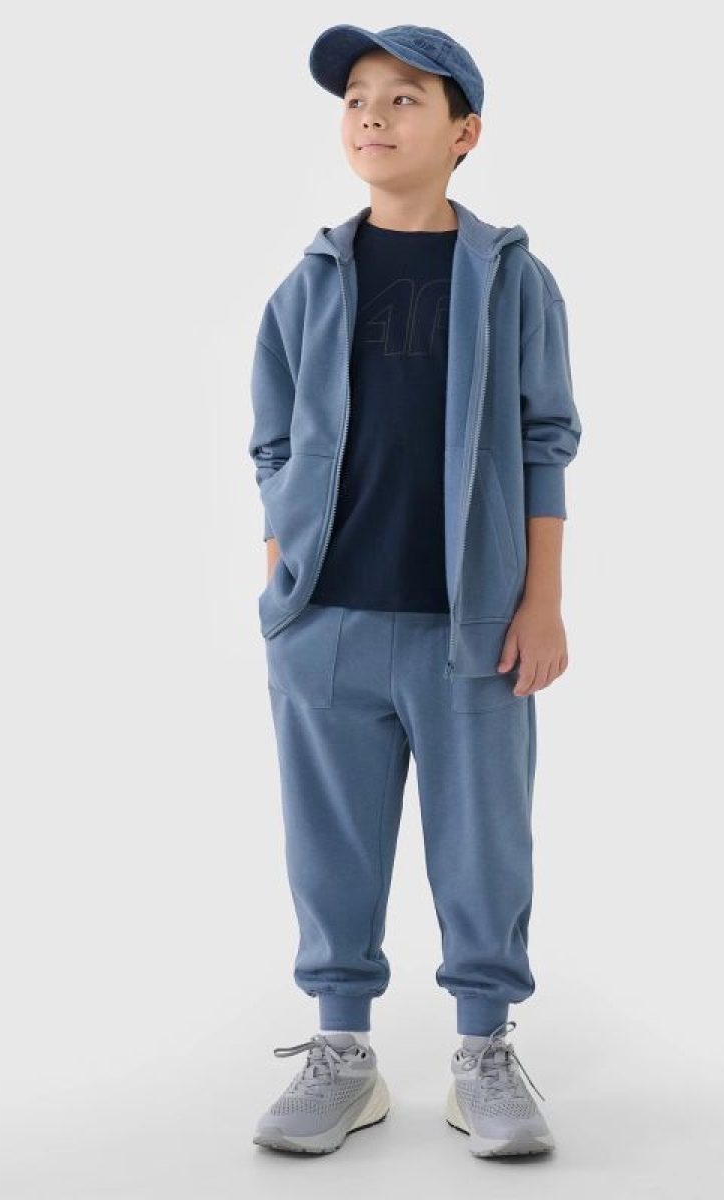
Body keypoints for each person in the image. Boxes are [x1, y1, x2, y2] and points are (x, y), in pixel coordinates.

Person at [248, 24, 582, 1158]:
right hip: (326, 622)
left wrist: (541, 600)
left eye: (404, 98)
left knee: (484, 842)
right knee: (328, 844)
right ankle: (343, 1053)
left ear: (463, 132)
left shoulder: (513, 280)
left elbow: (544, 439)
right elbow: (272, 440)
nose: (373, 116)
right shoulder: (308, 283)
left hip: (470, 627)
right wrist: (284, 568)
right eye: (357, 97)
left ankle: (484, 1052)